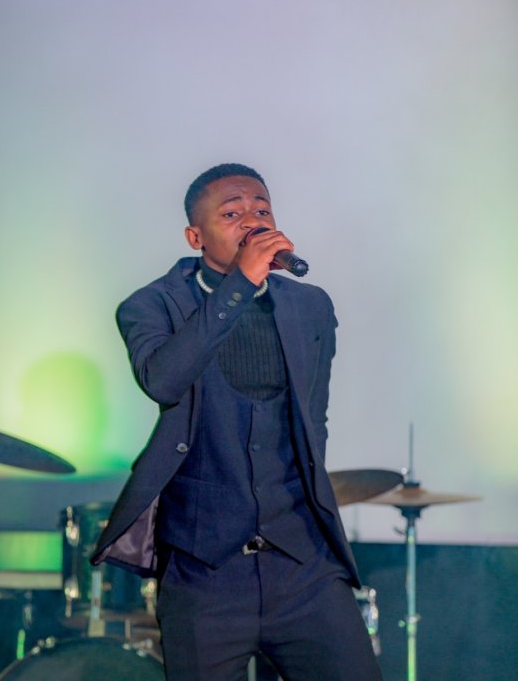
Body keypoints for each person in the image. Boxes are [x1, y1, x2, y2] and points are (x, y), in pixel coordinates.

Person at [92, 163, 382, 681]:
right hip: (204, 573)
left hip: (304, 567)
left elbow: (314, 416)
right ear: (195, 237)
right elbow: (163, 380)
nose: (251, 220)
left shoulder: (310, 306)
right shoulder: (151, 305)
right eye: (231, 214)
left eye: (262, 210)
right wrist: (240, 285)